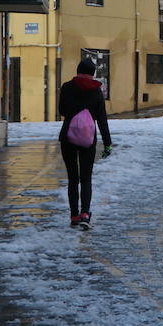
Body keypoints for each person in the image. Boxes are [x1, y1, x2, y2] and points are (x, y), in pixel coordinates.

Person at [58, 58, 112, 229]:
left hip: (68, 136)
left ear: (78, 69)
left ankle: (74, 216)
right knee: (86, 178)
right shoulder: (97, 91)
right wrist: (108, 143)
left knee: (73, 178)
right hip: (88, 139)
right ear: (93, 73)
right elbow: (102, 120)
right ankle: (85, 214)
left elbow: (62, 110)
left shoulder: (67, 87)